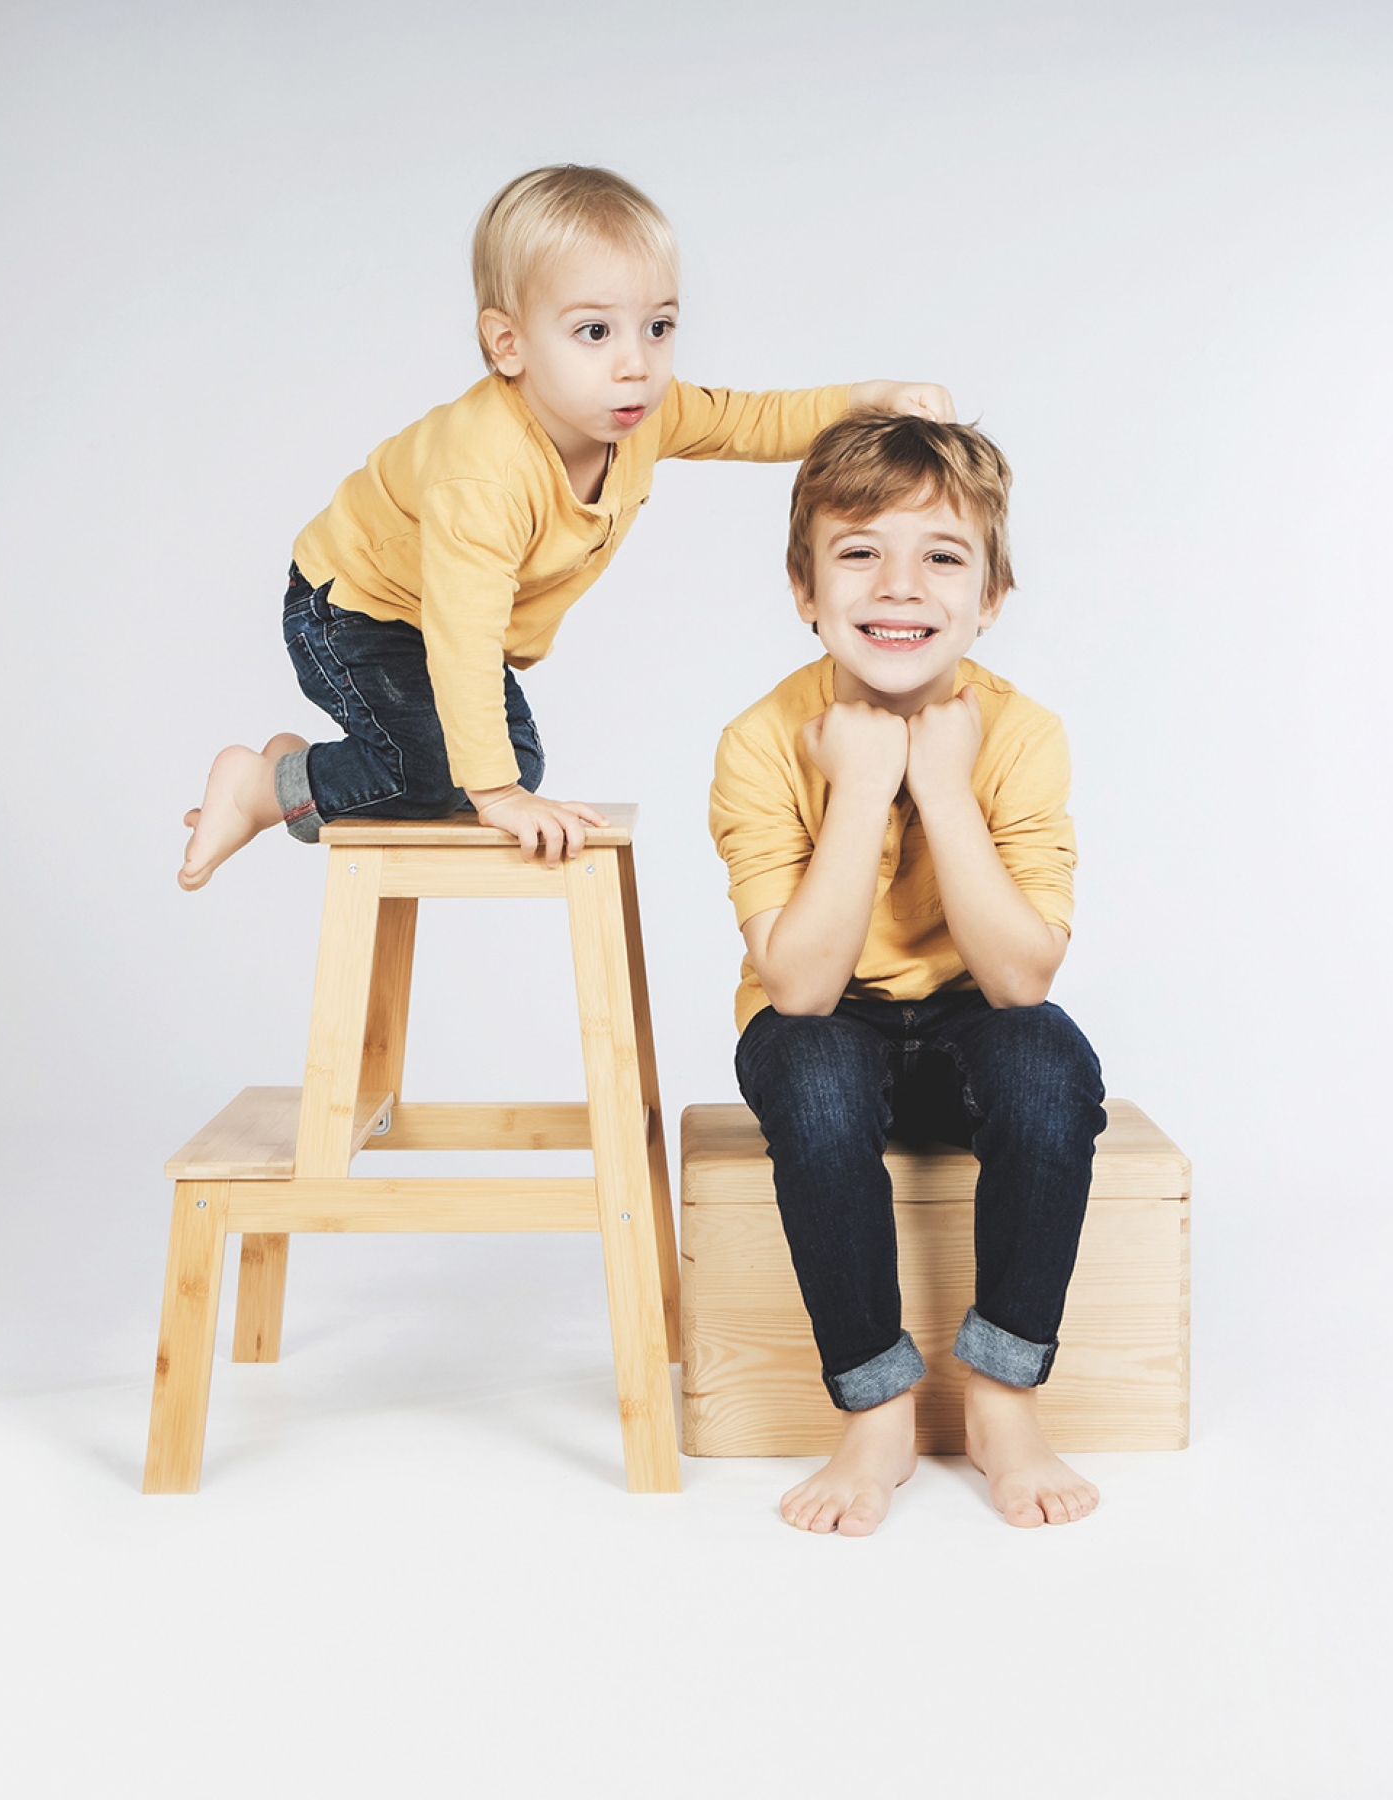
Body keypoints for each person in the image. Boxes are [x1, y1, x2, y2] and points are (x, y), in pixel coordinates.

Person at [178, 164, 951, 886]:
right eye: (594, 333)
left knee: (513, 763)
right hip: (353, 607)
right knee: (440, 775)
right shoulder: (485, 472)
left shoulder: (645, 413)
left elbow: (750, 420)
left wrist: (871, 396)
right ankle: (259, 786)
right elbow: (465, 633)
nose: (636, 366)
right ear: (507, 344)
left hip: (434, 619)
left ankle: (304, 770)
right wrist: (497, 794)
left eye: (658, 328)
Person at [709, 414, 1106, 1534]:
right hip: (828, 1015)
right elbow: (799, 988)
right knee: (816, 1074)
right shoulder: (760, 741)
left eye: (941, 555)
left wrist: (939, 784)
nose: (901, 585)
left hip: (975, 1008)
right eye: (859, 551)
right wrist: (859, 787)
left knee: (1047, 1065)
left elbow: (1023, 977)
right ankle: (876, 1405)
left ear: (988, 599)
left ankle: (1001, 1398)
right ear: (805, 586)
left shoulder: (1019, 733)